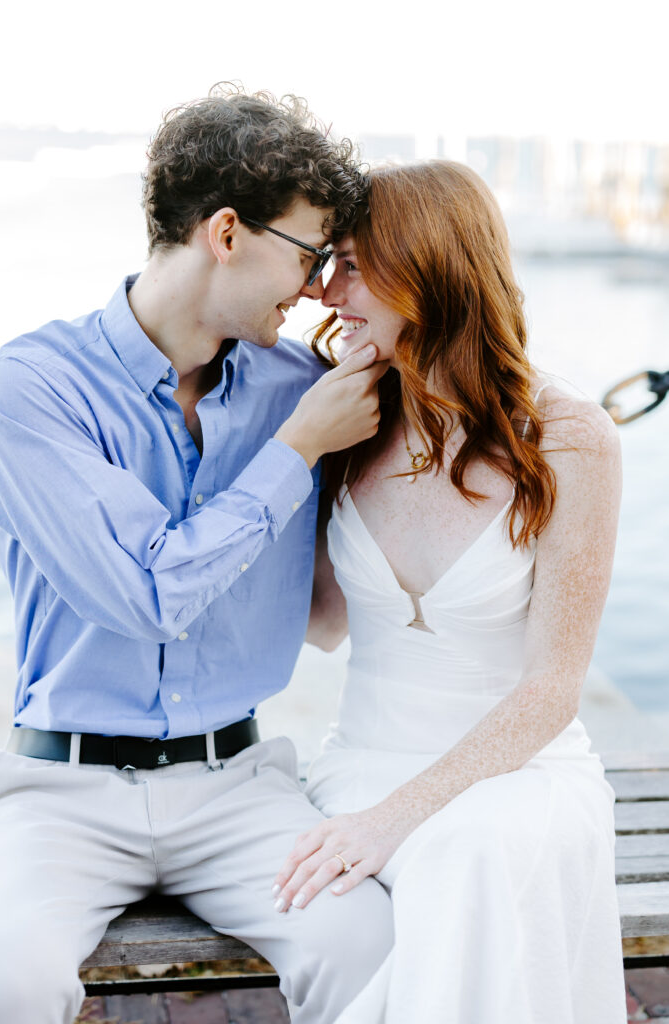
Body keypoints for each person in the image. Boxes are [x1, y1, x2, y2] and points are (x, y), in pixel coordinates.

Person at [0, 87, 395, 1024]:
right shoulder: (31, 389)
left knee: (370, 947)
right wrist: (298, 453)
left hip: (240, 788)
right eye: (309, 254)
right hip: (58, 793)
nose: (314, 287)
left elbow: (324, 621)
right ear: (227, 232)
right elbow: (150, 594)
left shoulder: (300, 389)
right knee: (5, 989)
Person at [272, 161, 627, 1023]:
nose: (325, 290)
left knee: (469, 854)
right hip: (362, 761)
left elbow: (552, 690)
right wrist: (291, 457)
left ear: (425, 264)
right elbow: (321, 629)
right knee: (396, 885)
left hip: (520, 770)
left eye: (352, 263)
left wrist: (391, 822)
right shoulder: (345, 420)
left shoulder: (570, 439)